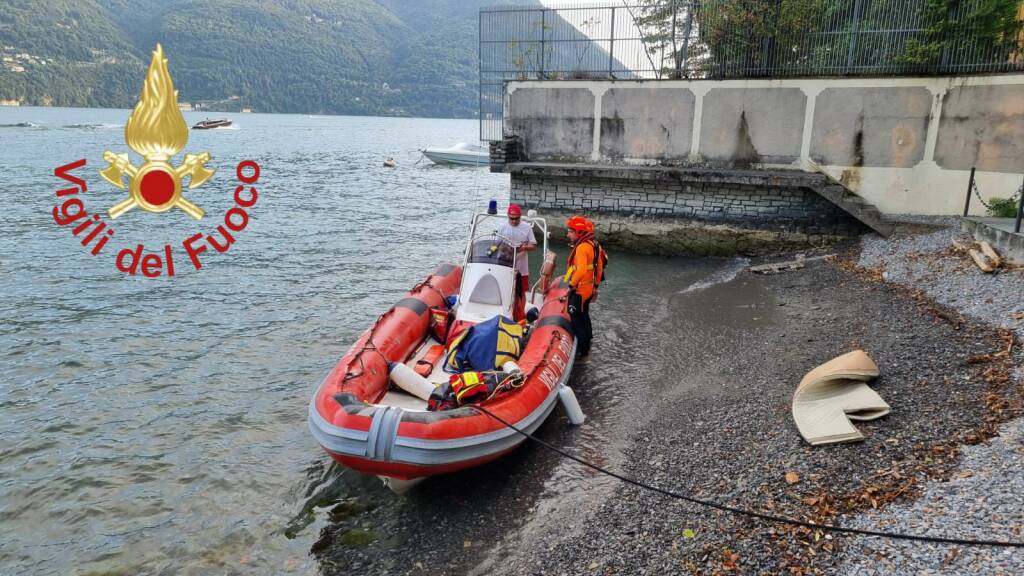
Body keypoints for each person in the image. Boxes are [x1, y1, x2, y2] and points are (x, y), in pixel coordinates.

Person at [564, 215, 598, 364]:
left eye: (570, 232)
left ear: (578, 233)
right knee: (584, 316)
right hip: (588, 288)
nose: (568, 234)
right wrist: (595, 287)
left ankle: (584, 355)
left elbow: (581, 270)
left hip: (580, 291)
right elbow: (599, 266)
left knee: (577, 320)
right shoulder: (593, 245)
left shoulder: (582, 247)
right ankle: (588, 342)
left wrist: (571, 285)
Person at [496, 204, 537, 320]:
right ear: (508, 216)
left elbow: (533, 245)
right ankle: (503, 311)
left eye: (516, 219)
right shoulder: (501, 226)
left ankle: (520, 314)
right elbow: (496, 244)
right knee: (503, 287)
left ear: (520, 217)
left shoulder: (527, 227)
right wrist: (505, 248)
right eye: (511, 219)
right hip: (505, 262)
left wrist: (523, 248)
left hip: (521, 266)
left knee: (522, 291)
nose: (514, 221)